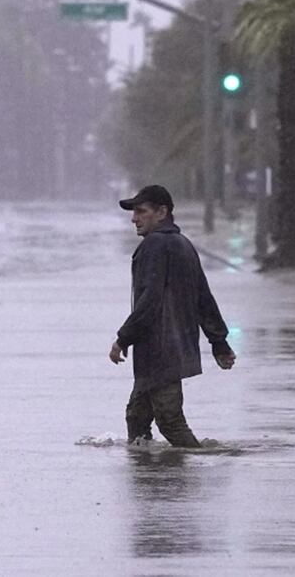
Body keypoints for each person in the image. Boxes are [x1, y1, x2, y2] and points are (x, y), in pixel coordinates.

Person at [108, 185, 236, 448]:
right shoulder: (183, 244)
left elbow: (150, 301)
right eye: (134, 213)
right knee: (137, 417)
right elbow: (204, 298)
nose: (134, 218)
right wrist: (219, 342)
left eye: (141, 211)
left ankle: (184, 481)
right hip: (174, 347)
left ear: (162, 212)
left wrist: (123, 338)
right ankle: (151, 478)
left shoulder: (155, 245)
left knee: (170, 421)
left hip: (160, 350)